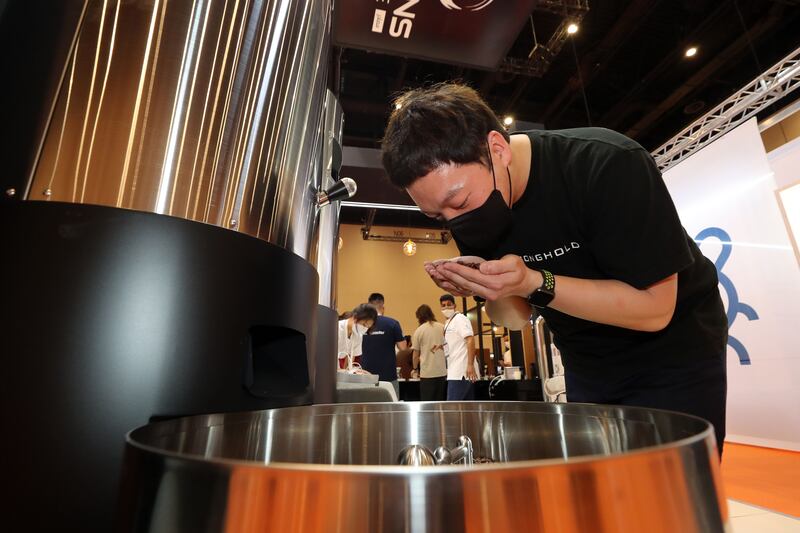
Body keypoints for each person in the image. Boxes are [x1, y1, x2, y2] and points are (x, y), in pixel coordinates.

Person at [381, 83, 728, 454]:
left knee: (675, 494)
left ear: (497, 148)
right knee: (600, 495)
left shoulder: (605, 164)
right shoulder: (477, 215)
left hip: (674, 352)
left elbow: (655, 309)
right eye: (438, 215)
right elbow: (516, 317)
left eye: (459, 200)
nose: (455, 221)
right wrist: (486, 285)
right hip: (587, 362)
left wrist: (533, 281)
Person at [361, 293, 406, 398]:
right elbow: (403, 348)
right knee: (391, 408)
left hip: (366, 377)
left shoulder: (361, 325)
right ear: (383, 307)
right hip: (389, 376)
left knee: (367, 409)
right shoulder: (393, 323)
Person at [440, 294, 479, 400]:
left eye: (449, 304)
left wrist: (470, 365)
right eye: (443, 305)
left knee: (452, 408)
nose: (446, 307)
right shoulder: (448, 322)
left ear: (454, 305)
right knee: (466, 409)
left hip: (461, 371)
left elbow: (470, 339)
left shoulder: (460, 319)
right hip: (454, 371)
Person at [411, 304, 447, 401]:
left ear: (419, 317)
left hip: (427, 374)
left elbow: (415, 354)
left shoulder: (419, 331)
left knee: (427, 404)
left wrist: (415, 369)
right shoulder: (442, 327)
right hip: (442, 372)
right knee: (440, 403)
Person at [337, 303, 378, 370]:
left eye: (368, 327)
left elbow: (351, 356)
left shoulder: (358, 335)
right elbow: (330, 355)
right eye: (364, 325)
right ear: (355, 317)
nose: (365, 328)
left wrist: (346, 372)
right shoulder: (337, 328)